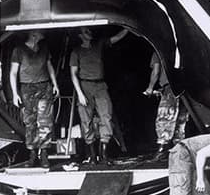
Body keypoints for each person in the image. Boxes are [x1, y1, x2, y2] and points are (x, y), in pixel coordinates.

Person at [70, 27, 128, 164]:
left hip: (100, 85)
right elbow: (73, 74)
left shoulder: (99, 44)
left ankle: (104, 154)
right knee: (86, 120)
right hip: (85, 86)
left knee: (106, 115)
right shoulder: (76, 52)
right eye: (85, 31)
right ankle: (91, 155)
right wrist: (80, 93)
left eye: (89, 31)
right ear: (80, 35)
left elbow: (117, 37)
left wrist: (127, 28)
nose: (89, 33)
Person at [10, 30, 59, 168]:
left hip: (44, 87)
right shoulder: (19, 50)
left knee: (45, 121)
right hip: (27, 89)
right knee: (30, 122)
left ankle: (44, 154)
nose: (44, 32)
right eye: (40, 31)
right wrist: (15, 93)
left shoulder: (44, 48)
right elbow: (13, 73)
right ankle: (32, 154)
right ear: (33, 34)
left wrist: (55, 85)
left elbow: (49, 67)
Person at [143, 51, 188, 160]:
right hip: (185, 88)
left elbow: (156, 71)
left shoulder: (158, 51)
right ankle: (178, 152)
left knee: (165, 117)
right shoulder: (180, 47)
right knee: (180, 121)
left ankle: (161, 150)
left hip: (170, 88)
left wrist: (150, 88)